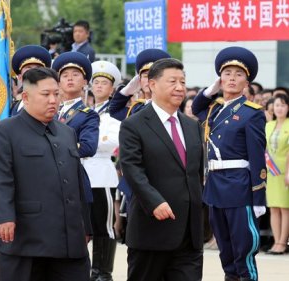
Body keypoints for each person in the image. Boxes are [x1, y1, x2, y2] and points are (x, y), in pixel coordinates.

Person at [0, 67, 91, 281]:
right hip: (26, 238)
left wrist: (85, 225)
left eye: (56, 94)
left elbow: (78, 182)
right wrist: (4, 217)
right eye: (45, 94)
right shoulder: (4, 131)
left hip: (69, 240)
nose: (53, 100)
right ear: (25, 97)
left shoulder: (66, 132)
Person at [119, 58, 204, 281]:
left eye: (183, 82)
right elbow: (132, 169)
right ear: (152, 84)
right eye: (172, 81)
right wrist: (154, 201)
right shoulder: (134, 125)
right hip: (152, 231)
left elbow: (196, 175)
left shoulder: (192, 125)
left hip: (189, 233)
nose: (179, 87)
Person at [192, 46, 267, 281]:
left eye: (238, 74)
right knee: (225, 249)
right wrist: (211, 90)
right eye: (227, 74)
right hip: (215, 186)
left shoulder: (251, 113)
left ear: (247, 82)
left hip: (239, 186)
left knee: (243, 249)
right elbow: (196, 108)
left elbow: (257, 156)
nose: (231, 79)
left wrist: (258, 197)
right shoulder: (214, 110)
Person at [84, 61, 121, 281]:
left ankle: (102, 272)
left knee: (104, 226)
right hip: (83, 172)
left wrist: (88, 143)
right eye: (95, 82)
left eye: (104, 83)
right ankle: (89, 270)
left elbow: (112, 141)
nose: (98, 86)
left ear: (112, 89)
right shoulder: (85, 111)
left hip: (102, 172)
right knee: (83, 224)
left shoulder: (114, 114)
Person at [52, 51, 100, 204]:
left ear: (85, 82)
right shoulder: (50, 111)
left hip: (71, 176)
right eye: (65, 75)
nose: (70, 78)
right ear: (58, 82)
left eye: (75, 75)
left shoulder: (88, 115)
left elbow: (88, 147)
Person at [109, 48, 171, 122]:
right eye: (145, 76)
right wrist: (126, 91)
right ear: (139, 80)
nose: (149, 80)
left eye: (154, 76)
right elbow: (114, 111)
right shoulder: (135, 108)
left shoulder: (169, 106)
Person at [265, 93, 289, 255]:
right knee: (273, 207)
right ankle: (275, 241)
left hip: (285, 170)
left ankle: (283, 242)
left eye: (283, 105)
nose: (279, 108)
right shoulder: (269, 125)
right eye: (277, 105)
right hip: (270, 171)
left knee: (284, 208)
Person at [10, 45, 52, 116]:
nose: (33, 72)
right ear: (20, 77)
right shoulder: (14, 105)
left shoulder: (49, 103)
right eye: (28, 68)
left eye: (38, 68)